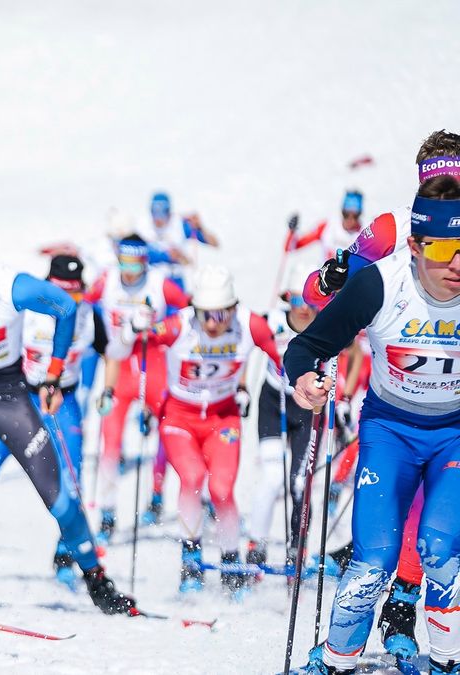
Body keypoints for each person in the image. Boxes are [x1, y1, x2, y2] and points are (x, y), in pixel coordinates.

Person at [0, 203, 134, 615]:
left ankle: (96, 580)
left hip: (7, 396)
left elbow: (66, 308)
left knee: (59, 496)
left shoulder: (11, 285)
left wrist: (53, 372)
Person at [289, 177, 460, 675]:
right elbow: (306, 345)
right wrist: (304, 381)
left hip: (453, 433)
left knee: (440, 551)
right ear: (414, 244)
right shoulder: (380, 283)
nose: (456, 263)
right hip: (391, 431)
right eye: (444, 248)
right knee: (372, 564)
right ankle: (337, 660)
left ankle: (447, 663)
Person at [0, 253, 108, 590]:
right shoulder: (28, 313)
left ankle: (68, 557)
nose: (70, 301)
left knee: (71, 479)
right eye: (63, 292)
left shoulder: (91, 317)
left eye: (76, 293)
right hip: (20, 400)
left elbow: (115, 352)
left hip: (62, 403)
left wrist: (111, 389)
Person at [124, 266, 280, 594]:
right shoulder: (180, 325)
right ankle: (191, 558)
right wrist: (135, 325)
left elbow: (285, 360)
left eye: (221, 314)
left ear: (233, 308)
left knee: (222, 489)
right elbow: (134, 341)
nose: (212, 323)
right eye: (205, 315)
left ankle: (230, 559)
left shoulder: (250, 325)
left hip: (223, 418)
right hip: (179, 417)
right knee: (193, 478)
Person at [86, 234, 189, 542]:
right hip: (119, 365)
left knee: (165, 432)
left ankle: (156, 494)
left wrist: (168, 334)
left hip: (153, 363)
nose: (128, 271)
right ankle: (106, 513)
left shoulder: (160, 283)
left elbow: (189, 311)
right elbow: (82, 304)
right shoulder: (106, 281)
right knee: (110, 440)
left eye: (135, 264)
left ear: (145, 261)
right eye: (123, 263)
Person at [302, 130, 460, 310]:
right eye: (439, 189)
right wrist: (326, 283)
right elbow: (312, 294)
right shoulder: (393, 228)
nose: (449, 198)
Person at [244, 267, 320, 574]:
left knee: (300, 484)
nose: (304, 307)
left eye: (312, 301)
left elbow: (353, 356)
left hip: (308, 408)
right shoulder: (272, 321)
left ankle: (296, 548)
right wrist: (240, 386)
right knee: (272, 478)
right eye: (299, 299)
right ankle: (256, 546)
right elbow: (243, 344)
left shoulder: (329, 322)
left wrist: (342, 398)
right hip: (273, 402)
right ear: (288, 299)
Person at [138, 192, 220, 288]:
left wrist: (200, 226)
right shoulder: (142, 226)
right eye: (154, 212)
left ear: (169, 212)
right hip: (152, 280)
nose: (158, 218)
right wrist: (167, 256)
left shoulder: (179, 224)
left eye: (162, 212)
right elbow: (138, 255)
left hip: (175, 279)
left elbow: (214, 243)